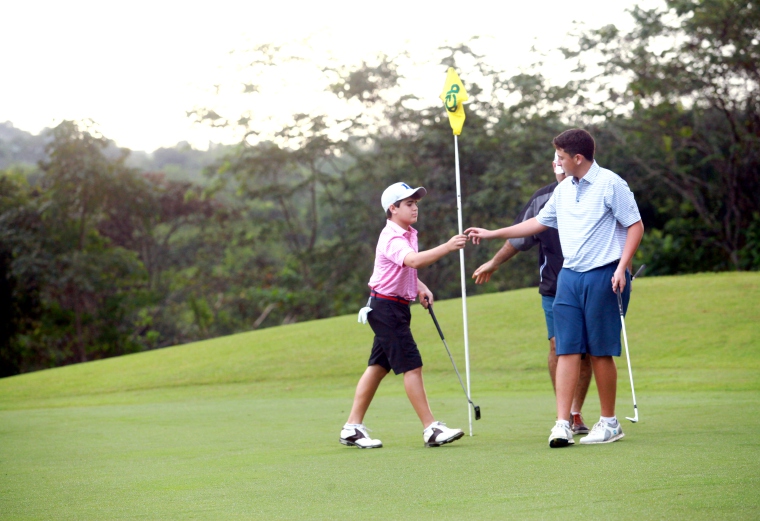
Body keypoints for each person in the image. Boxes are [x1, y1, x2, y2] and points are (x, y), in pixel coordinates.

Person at [466, 129, 644, 448]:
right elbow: (537, 223)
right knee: (566, 349)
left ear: (577, 158)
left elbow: (635, 225)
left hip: (604, 274)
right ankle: (562, 422)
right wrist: (492, 233)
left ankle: (609, 422)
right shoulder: (563, 192)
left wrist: (622, 267)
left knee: (601, 351)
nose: (557, 162)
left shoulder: (611, 184)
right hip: (569, 278)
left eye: (560, 157)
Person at [340, 182, 469, 449]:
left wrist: (419, 287)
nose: (415, 208)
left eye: (415, 203)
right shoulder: (392, 237)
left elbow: (404, 269)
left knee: (377, 368)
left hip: (392, 306)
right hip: (386, 309)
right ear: (393, 208)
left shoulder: (408, 233)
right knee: (412, 365)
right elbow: (413, 261)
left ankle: (351, 428)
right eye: (409, 203)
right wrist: (447, 246)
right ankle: (430, 428)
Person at [471, 164, 592, 435]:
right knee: (558, 346)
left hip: (590, 282)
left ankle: (576, 411)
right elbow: (519, 235)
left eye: (566, 164)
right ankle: (566, 414)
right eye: (558, 165)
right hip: (554, 286)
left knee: (586, 353)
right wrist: (493, 263)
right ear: (553, 166)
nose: (562, 171)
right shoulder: (542, 199)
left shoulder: (593, 192)